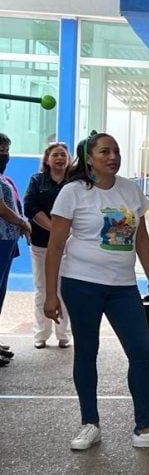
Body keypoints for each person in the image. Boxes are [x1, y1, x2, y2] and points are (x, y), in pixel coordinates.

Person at [44, 133, 149, 450]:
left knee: (140, 351)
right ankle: (89, 424)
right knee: (86, 351)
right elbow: (55, 246)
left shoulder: (130, 190)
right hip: (81, 284)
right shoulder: (73, 192)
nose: (113, 156)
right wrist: (51, 294)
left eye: (116, 151)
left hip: (123, 286)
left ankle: (145, 428)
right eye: (104, 151)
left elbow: (142, 239)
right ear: (89, 158)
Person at [24, 142, 72, 349]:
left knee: (64, 290)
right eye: (55, 155)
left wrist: (64, 232)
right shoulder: (37, 180)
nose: (60, 158)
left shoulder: (74, 182)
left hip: (69, 245)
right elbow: (30, 207)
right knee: (42, 289)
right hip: (41, 244)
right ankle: (41, 334)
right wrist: (55, 229)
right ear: (47, 159)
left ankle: (64, 335)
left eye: (63, 155)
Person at [0, 133, 32, 366]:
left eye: (6, 149)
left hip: (7, 240)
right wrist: (22, 222)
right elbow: (1, 208)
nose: (4, 154)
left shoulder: (3, 178)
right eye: (0, 149)